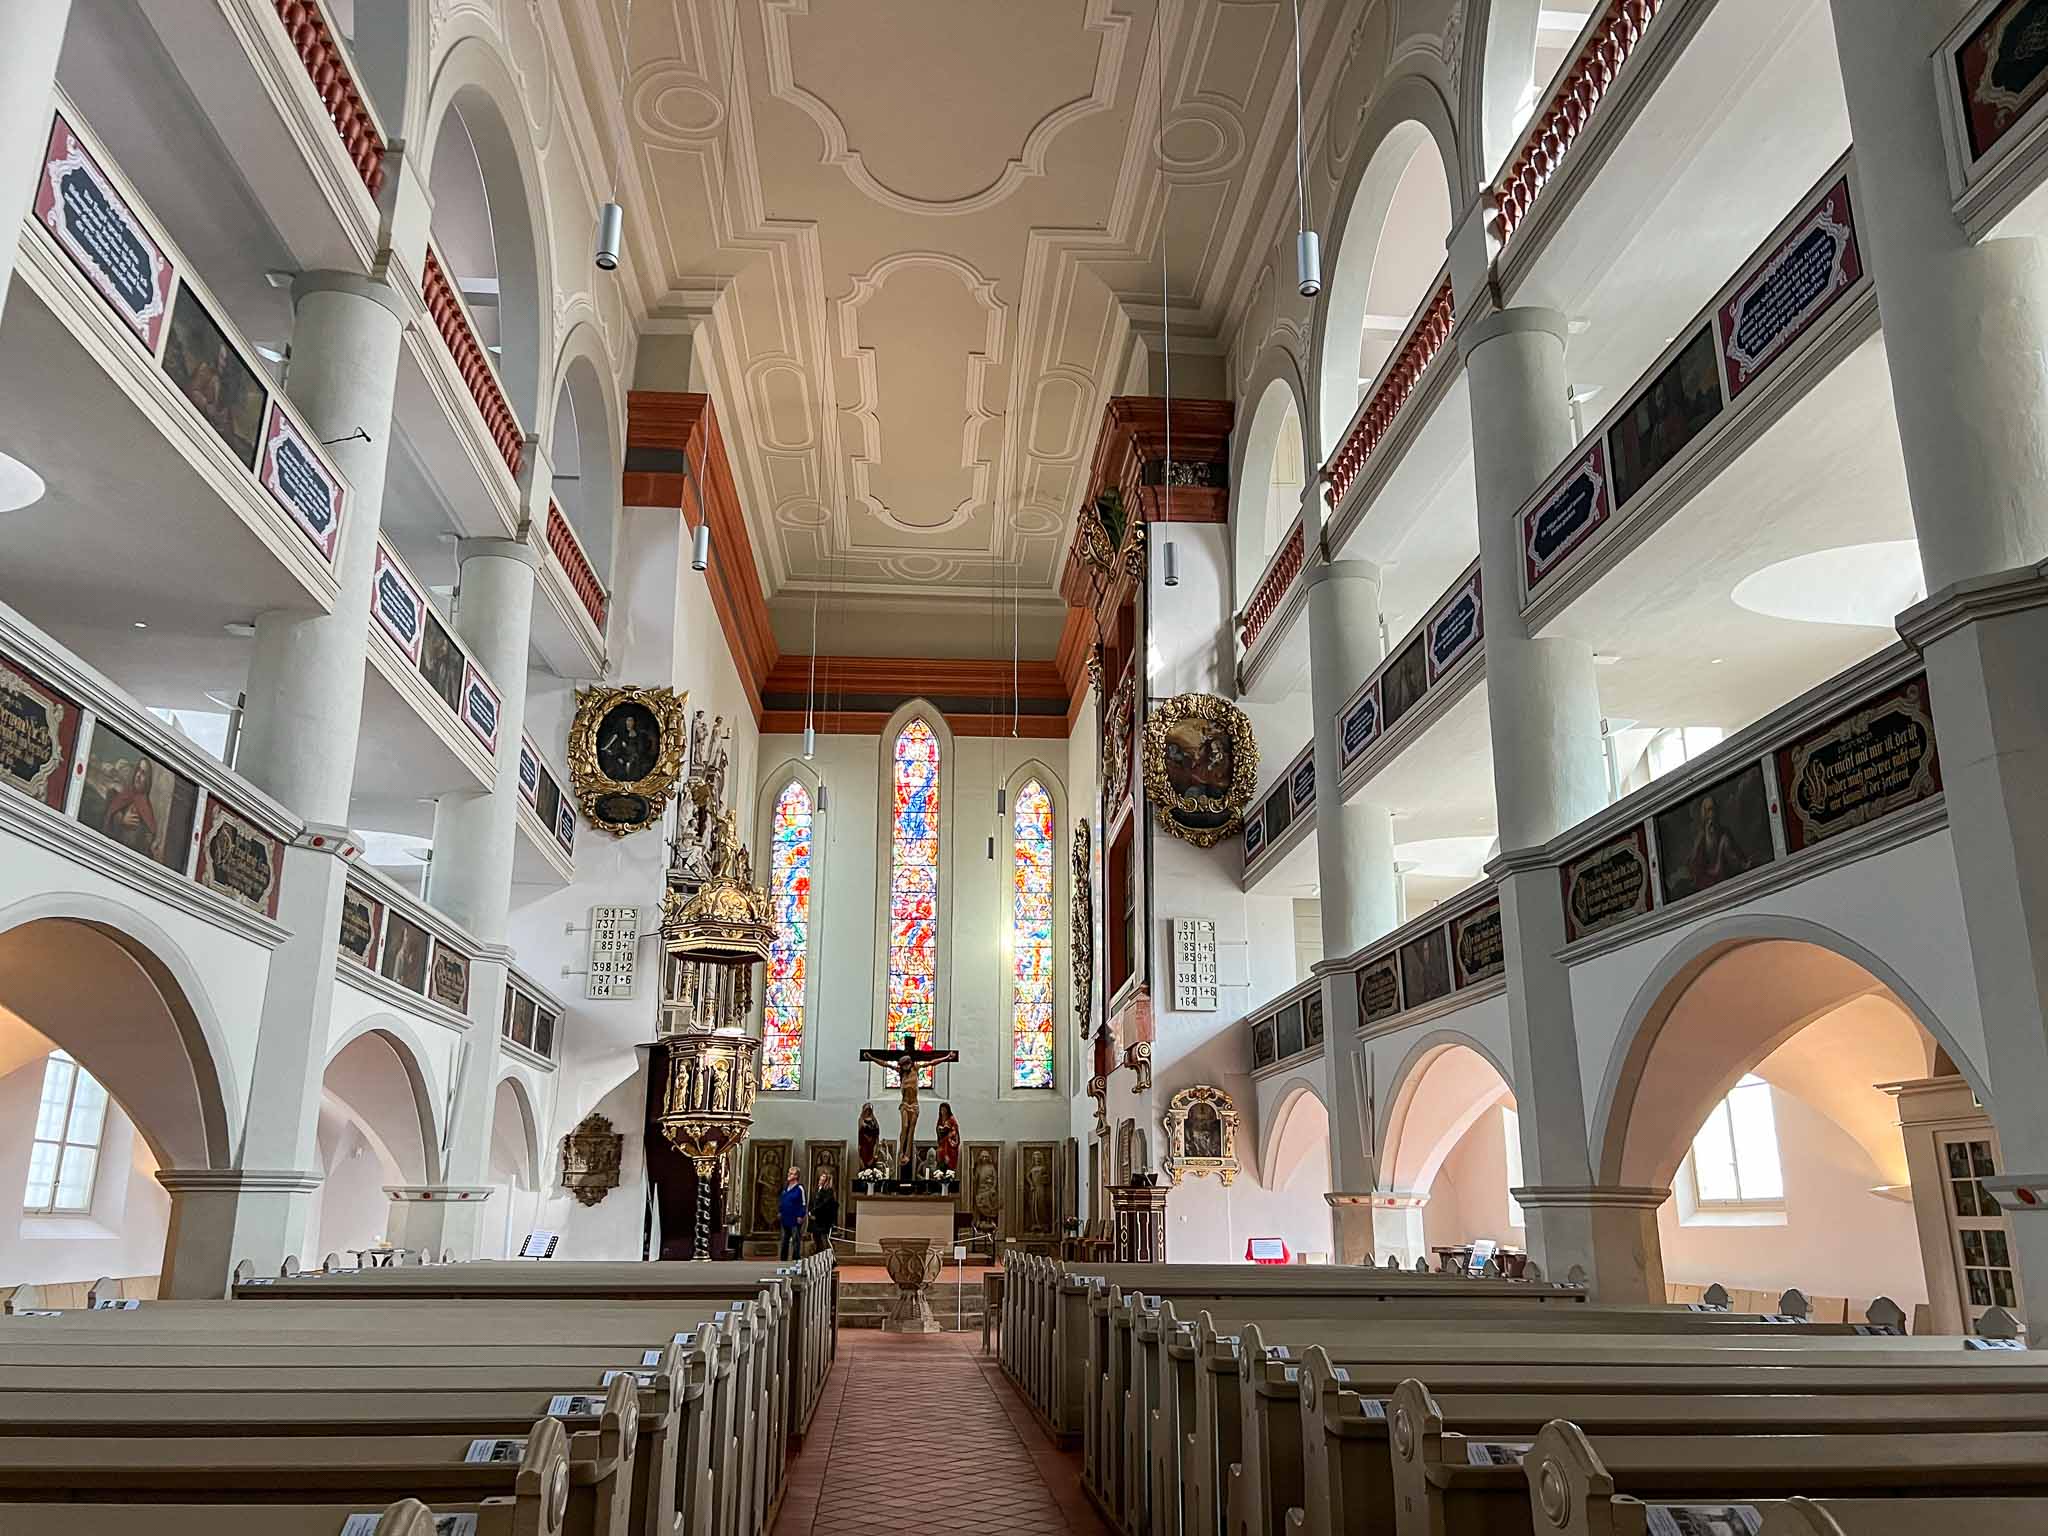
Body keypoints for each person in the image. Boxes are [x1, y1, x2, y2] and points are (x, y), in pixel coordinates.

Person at [777, 1166, 805, 1260]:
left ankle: (795, 1258)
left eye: (791, 1173)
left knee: (795, 1240)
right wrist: (780, 1211)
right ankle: (783, 1259)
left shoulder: (799, 1189)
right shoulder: (786, 1188)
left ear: (796, 1176)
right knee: (784, 1239)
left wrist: (801, 1215)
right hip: (785, 1217)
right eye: (789, 1173)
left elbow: (803, 1203)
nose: (789, 1174)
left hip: (795, 1218)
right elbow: (782, 1201)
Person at [807, 1171, 838, 1256]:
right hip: (815, 1220)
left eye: (822, 1179)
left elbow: (824, 1205)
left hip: (823, 1220)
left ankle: (829, 1259)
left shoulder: (829, 1191)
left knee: (824, 1240)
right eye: (820, 1179)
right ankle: (818, 1257)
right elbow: (812, 1202)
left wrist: (814, 1212)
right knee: (816, 1240)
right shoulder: (817, 1190)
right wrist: (810, 1212)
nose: (820, 1180)